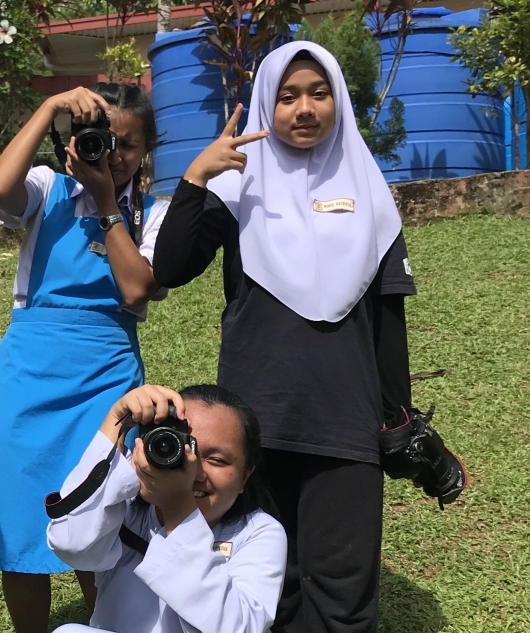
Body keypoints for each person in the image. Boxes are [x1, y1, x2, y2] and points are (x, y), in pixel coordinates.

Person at [151, 41, 417, 633]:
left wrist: (397, 422)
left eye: (319, 94)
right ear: (268, 106)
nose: (304, 108)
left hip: (346, 422)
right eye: (288, 95)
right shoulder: (239, 189)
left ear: (339, 103)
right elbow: (168, 269)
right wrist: (196, 176)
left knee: (344, 596)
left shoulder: (372, 200)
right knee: (273, 590)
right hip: (258, 425)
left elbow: (387, 325)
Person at [0, 83, 170, 633]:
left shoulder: (155, 215)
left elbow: (137, 290)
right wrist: (50, 107)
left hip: (107, 373)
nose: (115, 155)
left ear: (146, 150)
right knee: (19, 508)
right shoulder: (47, 186)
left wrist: (107, 204)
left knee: (96, 516)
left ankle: (101, 625)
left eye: (129, 145)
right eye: (102, 140)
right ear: (77, 141)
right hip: (28, 369)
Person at [47, 384, 287, 633]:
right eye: (180, 448)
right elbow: (71, 544)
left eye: (216, 460)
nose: (195, 471)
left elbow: (239, 628)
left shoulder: (259, 533)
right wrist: (114, 424)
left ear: (245, 476)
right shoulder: (125, 507)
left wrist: (178, 510)